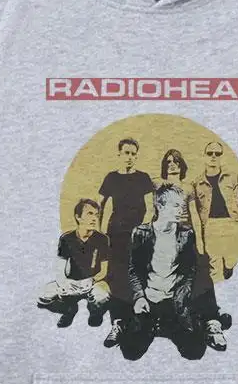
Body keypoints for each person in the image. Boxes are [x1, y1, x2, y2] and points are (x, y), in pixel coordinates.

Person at [154, 147, 230, 351]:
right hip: (165, 238)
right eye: (168, 162)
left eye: (176, 161)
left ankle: (212, 321)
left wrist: (200, 246)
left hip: (186, 237)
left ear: (182, 165)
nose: (172, 165)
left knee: (201, 274)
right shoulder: (158, 185)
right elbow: (152, 212)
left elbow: (195, 216)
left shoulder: (188, 188)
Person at [120, 183, 206, 361]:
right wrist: (139, 297)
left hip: (174, 300)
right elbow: (134, 270)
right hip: (149, 300)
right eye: (175, 206)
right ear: (160, 206)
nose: (181, 210)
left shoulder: (187, 234)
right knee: (130, 352)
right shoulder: (141, 233)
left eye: (182, 206)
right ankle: (144, 323)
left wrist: (182, 297)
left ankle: (168, 324)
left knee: (195, 352)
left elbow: (189, 271)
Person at [98, 137, 154, 347]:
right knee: (117, 278)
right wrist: (100, 234)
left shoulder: (143, 178)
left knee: (138, 275)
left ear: (136, 156)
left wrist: (142, 230)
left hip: (138, 235)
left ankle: (139, 321)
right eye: (126, 153)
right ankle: (118, 323)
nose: (129, 157)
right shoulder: (111, 178)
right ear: (119, 154)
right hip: (115, 235)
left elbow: (150, 208)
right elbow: (99, 204)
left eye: (133, 153)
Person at [37, 198, 110, 328]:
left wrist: (92, 280)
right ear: (78, 217)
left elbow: (104, 270)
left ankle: (95, 312)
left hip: (91, 283)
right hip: (71, 283)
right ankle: (68, 310)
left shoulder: (102, 239)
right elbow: (60, 267)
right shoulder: (66, 238)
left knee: (103, 296)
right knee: (43, 296)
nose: (94, 218)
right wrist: (64, 284)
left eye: (96, 215)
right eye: (90, 214)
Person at [192, 141, 238, 290]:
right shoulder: (197, 183)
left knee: (232, 262)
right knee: (214, 268)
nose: (213, 156)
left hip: (232, 223)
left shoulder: (233, 177)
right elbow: (196, 210)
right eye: (210, 153)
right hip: (210, 226)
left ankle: (229, 270)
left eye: (217, 154)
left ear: (222, 156)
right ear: (204, 156)